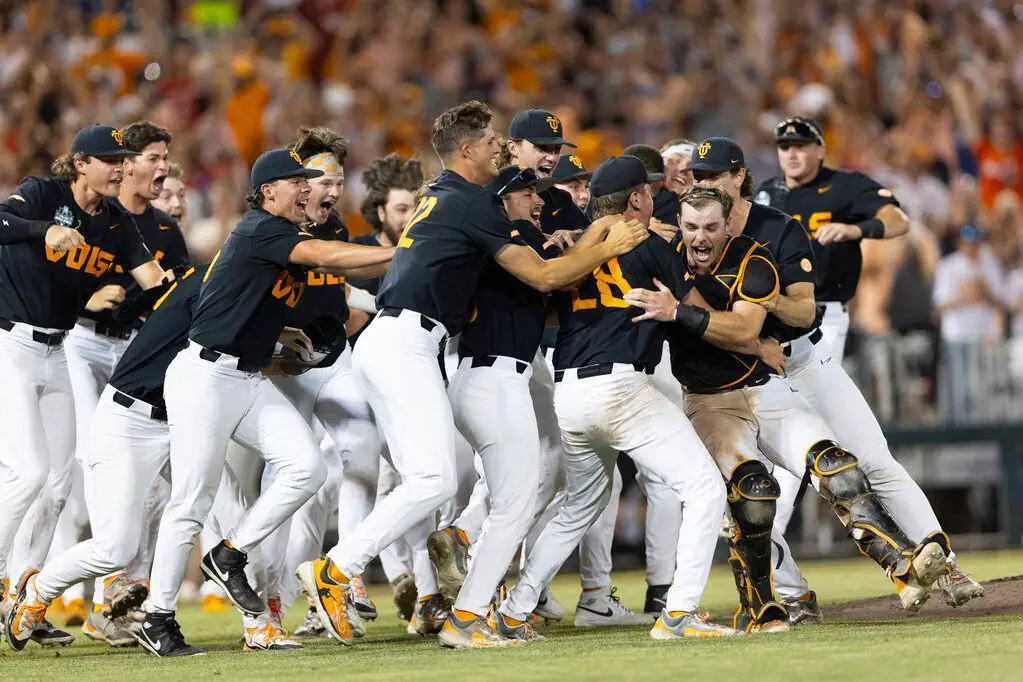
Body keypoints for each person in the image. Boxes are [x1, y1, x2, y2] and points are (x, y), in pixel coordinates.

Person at [295, 100, 647, 647]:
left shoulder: (443, 198)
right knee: (437, 481)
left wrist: (570, 236)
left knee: (467, 488)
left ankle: (463, 616)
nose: (499, 148)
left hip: (408, 344)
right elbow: (547, 276)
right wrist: (610, 243)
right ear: (466, 151)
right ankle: (339, 570)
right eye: (490, 144)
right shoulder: (473, 202)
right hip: (412, 345)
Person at [626, 185, 952, 632]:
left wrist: (678, 312)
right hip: (710, 401)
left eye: (710, 227)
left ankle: (901, 566)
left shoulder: (754, 259)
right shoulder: (664, 257)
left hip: (766, 388)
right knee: (754, 495)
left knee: (838, 466)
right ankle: (760, 606)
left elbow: (743, 331)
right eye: (691, 226)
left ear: (728, 224)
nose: (700, 238)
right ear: (679, 225)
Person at [138, 148, 395, 656]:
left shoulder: (284, 233)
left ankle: (229, 555)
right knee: (191, 500)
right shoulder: (262, 229)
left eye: (309, 181)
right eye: (297, 181)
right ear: (268, 191)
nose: (306, 188)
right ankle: (157, 615)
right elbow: (328, 258)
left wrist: (284, 348)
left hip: (247, 376)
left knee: (306, 467)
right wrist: (409, 251)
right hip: (204, 377)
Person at [494, 156, 737, 641]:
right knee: (705, 487)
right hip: (621, 388)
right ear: (635, 199)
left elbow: (552, 283)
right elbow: (699, 312)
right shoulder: (643, 240)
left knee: (580, 505)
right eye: (646, 191)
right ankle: (678, 614)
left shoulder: (574, 248)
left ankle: (516, 609)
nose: (652, 196)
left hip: (569, 390)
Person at [752, 120, 984, 615]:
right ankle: (789, 593)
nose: (791, 154)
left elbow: (898, 221)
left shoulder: (846, 186)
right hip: (761, 347)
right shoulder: (761, 201)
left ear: (819, 148)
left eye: (800, 145)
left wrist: (856, 229)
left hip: (822, 326)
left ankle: (945, 562)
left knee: (865, 462)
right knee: (782, 480)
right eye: (783, 146)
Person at [0, 124, 170, 649]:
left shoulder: (115, 221)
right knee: (27, 474)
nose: (119, 167)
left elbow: (154, 282)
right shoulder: (42, 193)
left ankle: (20, 597)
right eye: (109, 160)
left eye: (123, 159)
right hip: (9, 344)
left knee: (55, 486)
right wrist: (40, 230)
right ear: (80, 164)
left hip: (55, 352)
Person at [440, 165, 558, 647]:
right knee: (515, 507)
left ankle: (471, 609)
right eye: (527, 191)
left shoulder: (494, 243)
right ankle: (466, 618)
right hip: (494, 379)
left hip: (478, 375)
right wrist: (603, 243)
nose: (538, 200)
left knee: (508, 504)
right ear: (503, 199)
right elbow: (551, 278)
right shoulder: (511, 238)